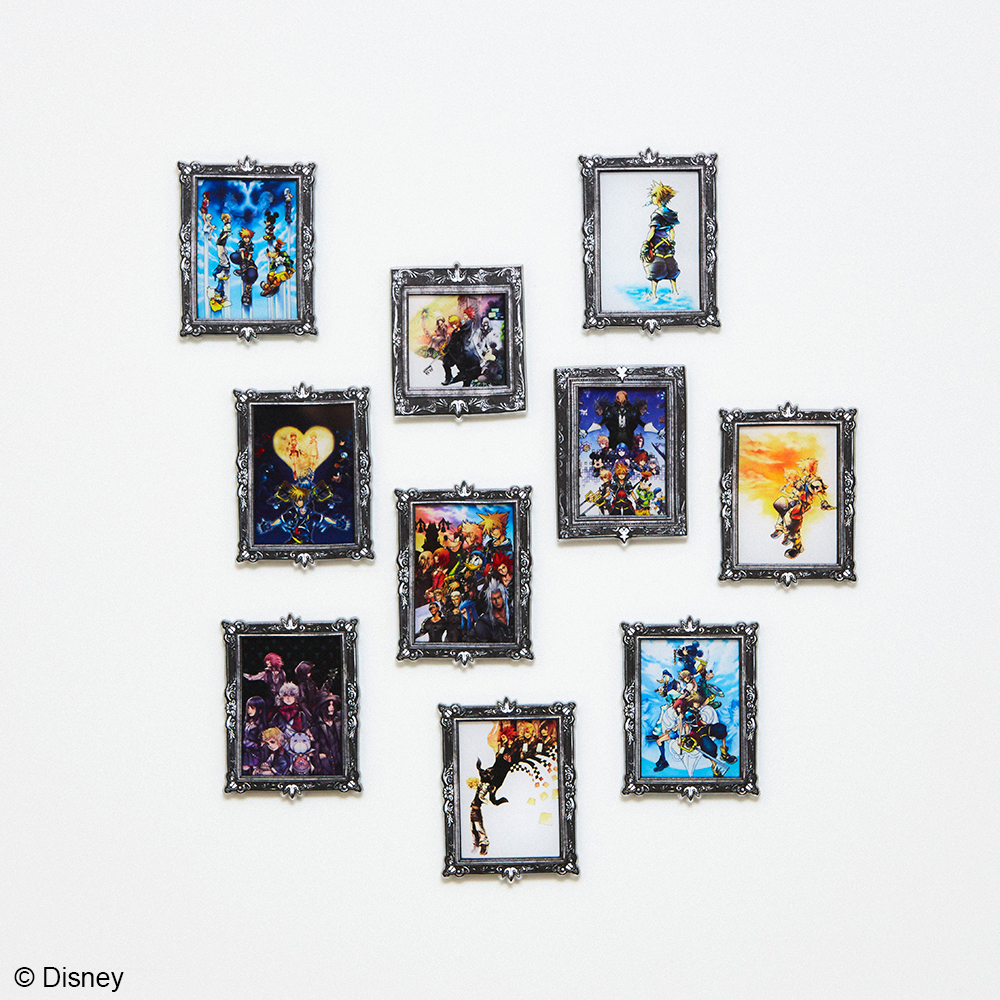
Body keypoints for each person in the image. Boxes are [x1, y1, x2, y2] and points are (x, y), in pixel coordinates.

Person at [641, 181, 680, 298]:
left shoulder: (657, 214)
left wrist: (646, 243)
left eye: (653, 196)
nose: (652, 198)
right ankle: (675, 291)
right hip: (666, 244)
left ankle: (653, 294)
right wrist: (671, 242)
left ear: (658, 198)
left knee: (656, 267)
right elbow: (672, 232)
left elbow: (652, 230)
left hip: (657, 243)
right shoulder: (670, 214)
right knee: (670, 265)